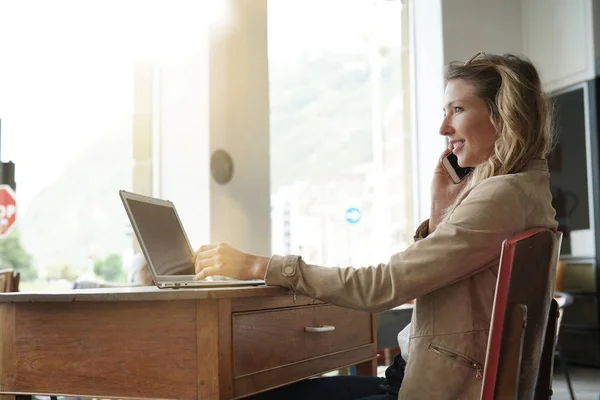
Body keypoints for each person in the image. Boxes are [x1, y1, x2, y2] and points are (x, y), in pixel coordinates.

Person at [192, 52, 558, 399]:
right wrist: (440, 208)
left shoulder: (501, 197)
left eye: (458, 110)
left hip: (427, 386)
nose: (443, 127)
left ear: (505, 116)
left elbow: (384, 286)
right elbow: (432, 277)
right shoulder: (525, 193)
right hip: (425, 376)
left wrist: (261, 266)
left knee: (261, 395)